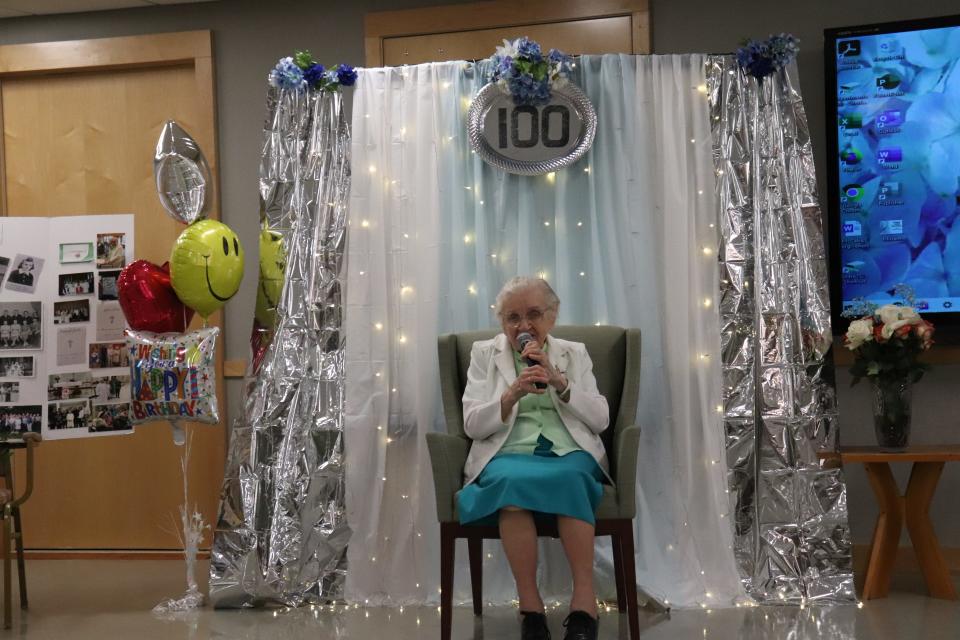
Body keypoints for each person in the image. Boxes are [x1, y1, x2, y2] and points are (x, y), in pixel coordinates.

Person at [458, 276, 609, 640]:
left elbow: (601, 419)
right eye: (512, 318)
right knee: (509, 482)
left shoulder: (574, 353)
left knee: (571, 477)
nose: (523, 326)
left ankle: (584, 605)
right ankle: (531, 610)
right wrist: (510, 395)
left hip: (568, 450)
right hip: (508, 451)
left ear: (552, 317)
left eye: (533, 315)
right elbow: (472, 425)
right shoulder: (483, 354)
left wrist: (560, 382)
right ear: (502, 323)